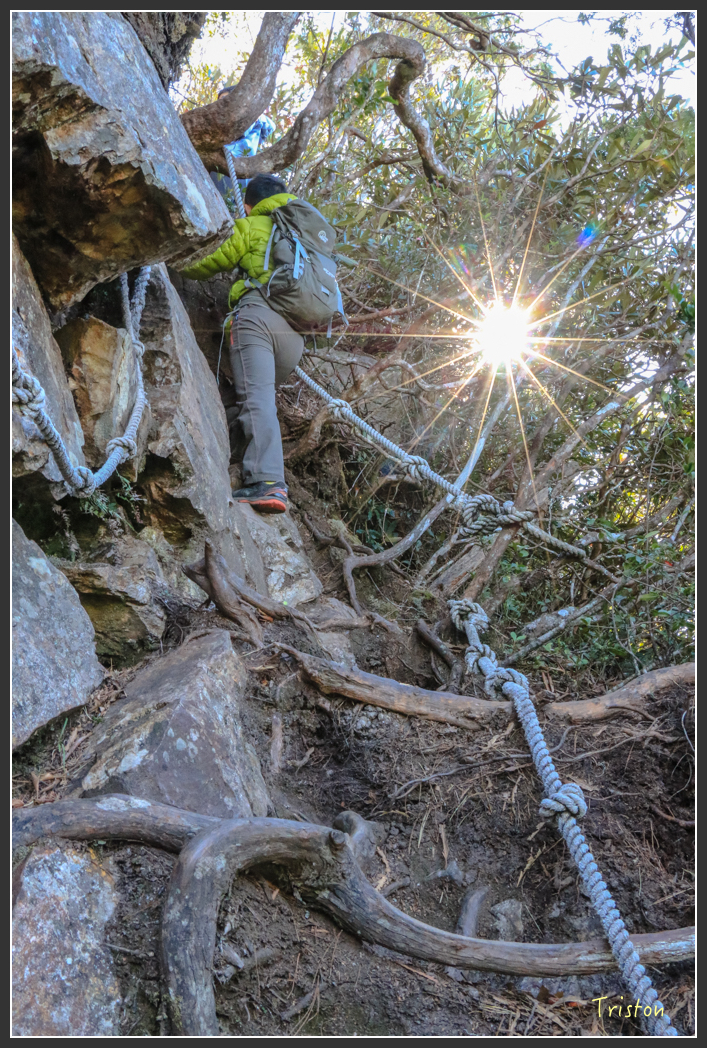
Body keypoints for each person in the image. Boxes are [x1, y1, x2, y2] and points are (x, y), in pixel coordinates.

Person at [180, 174, 302, 513]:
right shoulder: (300, 234)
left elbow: (209, 262)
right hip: (294, 341)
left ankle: (267, 482)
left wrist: (169, 254)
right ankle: (240, 458)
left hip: (258, 321)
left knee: (256, 399)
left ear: (248, 205)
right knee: (246, 395)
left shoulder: (253, 225)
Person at [209, 86, 276, 213]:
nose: (220, 105)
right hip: (221, 176)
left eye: (224, 100)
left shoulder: (253, 121)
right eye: (219, 101)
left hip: (236, 173)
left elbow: (268, 126)